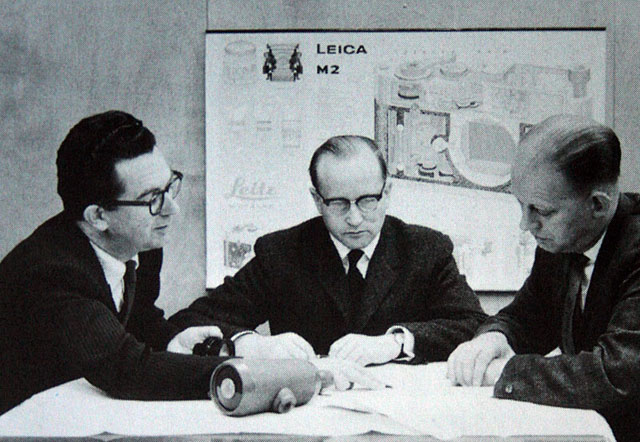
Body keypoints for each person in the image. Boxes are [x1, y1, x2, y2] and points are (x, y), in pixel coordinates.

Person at [0, 111, 376, 414]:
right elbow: (126, 369)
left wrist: (172, 339)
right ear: (98, 216)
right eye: (152, 199)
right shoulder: (51, 274)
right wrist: (284, 375)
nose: (172, 209)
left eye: (170, 187)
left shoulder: (141, 243)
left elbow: (141, 320)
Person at [171, 135, 486, 366]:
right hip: (306, 419)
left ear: (387, 192)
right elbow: (189, 321)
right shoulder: (281, 254)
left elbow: (473, 325)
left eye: (367, 200)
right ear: (317, 199)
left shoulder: (425, 250)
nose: (354, 218)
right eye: (338, 203)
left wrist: (396, 343)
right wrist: (248, 344)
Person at [446, 114, 640, 442]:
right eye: (521, 206)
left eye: (541, 211)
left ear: (597, 204)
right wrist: (494, 338)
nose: (525, 225)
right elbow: (526, 317)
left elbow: (616, 374)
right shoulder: (564, 240)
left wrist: (506, 373)